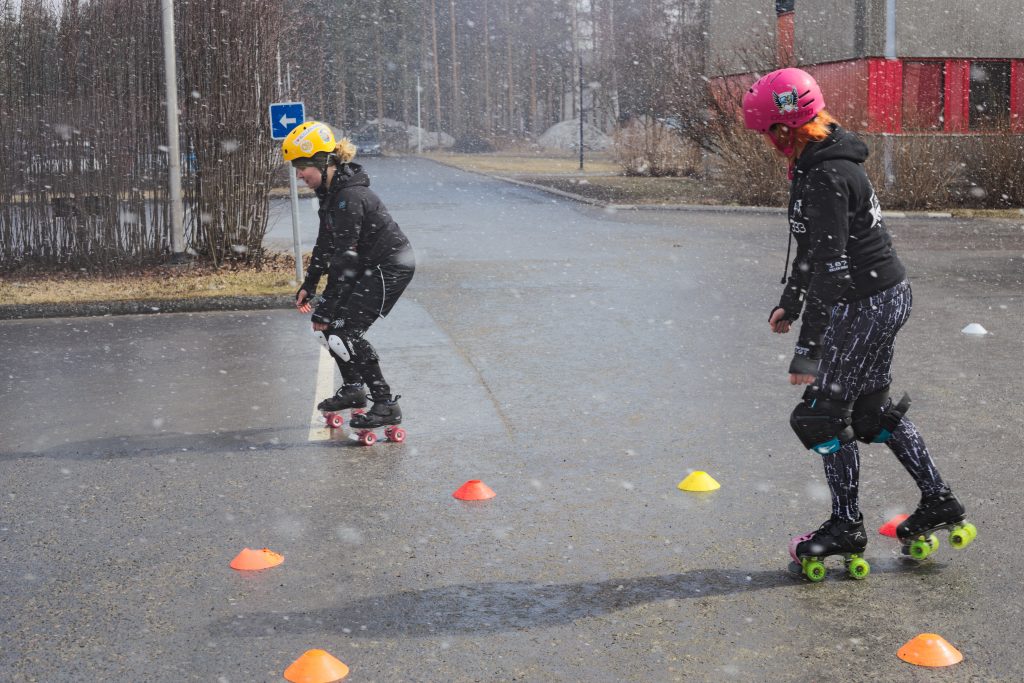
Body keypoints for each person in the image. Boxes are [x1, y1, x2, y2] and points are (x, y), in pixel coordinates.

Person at [741, 68, 972, 567]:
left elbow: (833, 269)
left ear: (786, 129)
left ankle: (846, 527)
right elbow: (814, 248)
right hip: (883, 295)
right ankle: (939, 500)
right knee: (869, 414)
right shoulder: (817, 162)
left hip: (864, 302)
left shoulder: (825, 173)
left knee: (820, 416)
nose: (765, 142)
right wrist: (792, 301)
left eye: (767, 132)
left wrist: (810, 348)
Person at [281, 120, 415, 429]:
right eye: (296, 168)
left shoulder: (349, 198)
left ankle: (384, 403)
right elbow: (326, 244)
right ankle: (354, 389)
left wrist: (328, 306)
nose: (299, 174)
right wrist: (310, 284)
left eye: (302, 166)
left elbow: (345, 257)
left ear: (323, 161)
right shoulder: (331, 195)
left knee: (345, 331)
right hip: (367, 264)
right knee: (327, 331)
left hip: (390, 266)